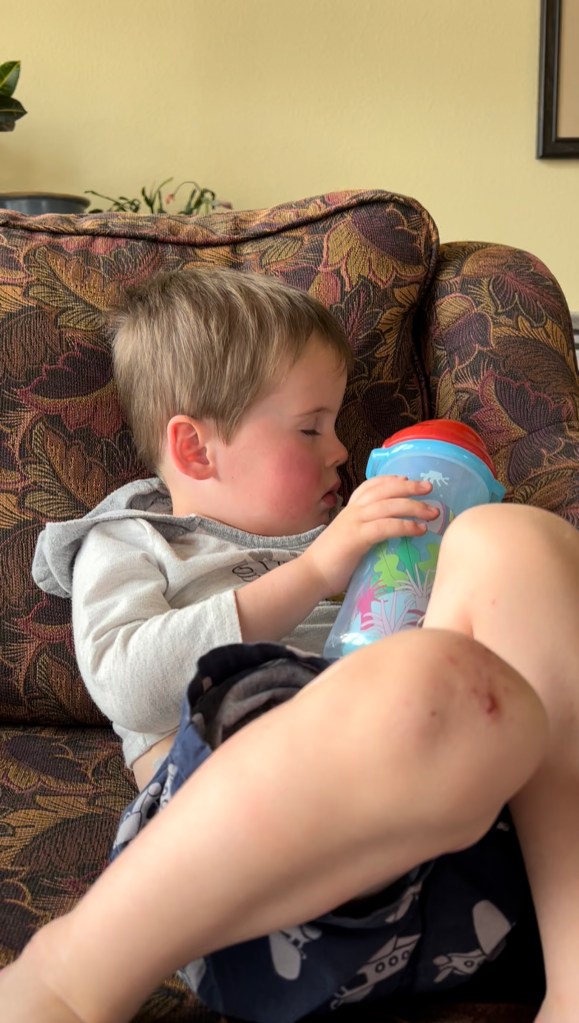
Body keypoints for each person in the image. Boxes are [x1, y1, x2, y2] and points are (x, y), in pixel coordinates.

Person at [1, 267, 578, 1023]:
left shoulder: (353, 537)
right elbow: (129, 683)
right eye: (311, 427)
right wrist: (316, 572)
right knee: (414, 680)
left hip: (450, 881)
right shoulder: (137, 540)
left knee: (514, 540)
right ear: (195, 448)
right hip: (238, 889)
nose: (341, 451)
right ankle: (67, 976)